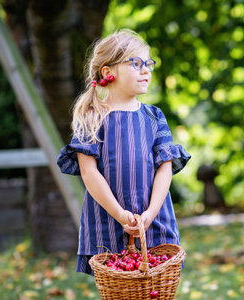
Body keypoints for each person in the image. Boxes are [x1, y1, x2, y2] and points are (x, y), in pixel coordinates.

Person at [56, 29, 191, 276]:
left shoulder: (154, 117)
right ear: (108, 72)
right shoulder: (92, 118)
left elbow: (165, 167)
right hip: (107, 222)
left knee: (156, 288)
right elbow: (88, 172)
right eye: (136, 63)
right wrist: (119, 215)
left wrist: (150, 214)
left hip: (154, 220)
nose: (146, 70)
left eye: (148, 63)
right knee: (117, 287)